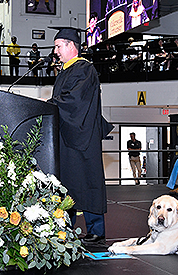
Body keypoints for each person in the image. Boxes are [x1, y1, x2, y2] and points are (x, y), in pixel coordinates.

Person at [48, 27, 113, 245]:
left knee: (87, 180)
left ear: (71, 45)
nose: (55, 51)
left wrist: (51, 106)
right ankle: (66, 225)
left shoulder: (84, 69)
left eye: (58, 46)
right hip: (67, 136)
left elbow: (74, 101)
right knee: (68, 183)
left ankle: (96, 229)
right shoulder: (66, 70)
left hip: (82, 136)